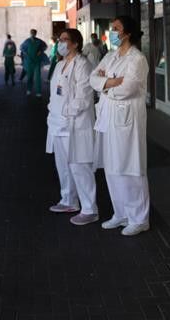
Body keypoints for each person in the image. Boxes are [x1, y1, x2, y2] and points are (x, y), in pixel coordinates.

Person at [89, 16, 151, 237]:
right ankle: (121, 213)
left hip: (127, 120)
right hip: (108, 118)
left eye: (116, 28)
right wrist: (111, 82)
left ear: (128, 33)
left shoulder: (137, 59)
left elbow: (129, 89)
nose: (112, 31)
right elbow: (92, 78)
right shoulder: (110, 55)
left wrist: (106, 87)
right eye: (112, 28)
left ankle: (139, 218)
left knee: (131, 168)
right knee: (113, 168)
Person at [45, 29, 98, 226]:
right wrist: (53, 112)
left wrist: (68, 113)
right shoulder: (59, 64)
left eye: (65, 40)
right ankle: (68, 200)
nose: (61, 43)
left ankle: (90, 209)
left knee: (79, 166)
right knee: (63, 166)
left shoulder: (83, 65)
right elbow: (54, 93)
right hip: (57, 123)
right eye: (60, 40)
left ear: (75, 43)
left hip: (75, 123)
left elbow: (84, 97)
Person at [21, 29, 46, 98]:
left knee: (37, 77)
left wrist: (40, 51)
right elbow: (22, 48)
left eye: (34, 33)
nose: (33, 34)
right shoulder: (27, 41)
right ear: (30, 33)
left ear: (36, 33)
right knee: (29, 76)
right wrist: (25, 54)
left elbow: (44, 46)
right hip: (29, 61)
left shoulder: (39, 41)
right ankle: (29, 89)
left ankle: (38, 92)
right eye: (32, 33)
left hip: (37, 61)